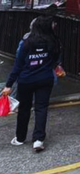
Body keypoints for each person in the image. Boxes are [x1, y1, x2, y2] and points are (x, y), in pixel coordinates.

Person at [2, 16, 61, 151]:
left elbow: (18, 65)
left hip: (26, 80)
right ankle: (38, 140)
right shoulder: (53, 42)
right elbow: (56, 60)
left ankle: (20, 138)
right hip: (45, 79)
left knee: (24, 109)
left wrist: (9, 85)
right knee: (41, 108)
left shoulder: (27, 43)